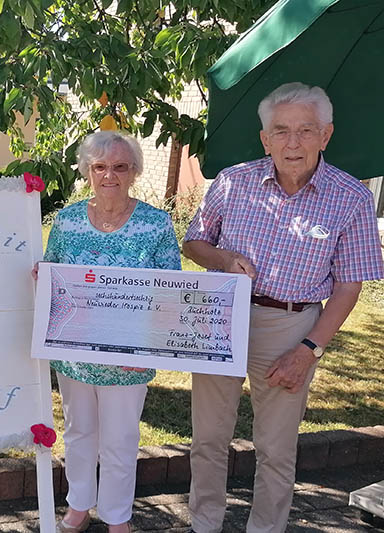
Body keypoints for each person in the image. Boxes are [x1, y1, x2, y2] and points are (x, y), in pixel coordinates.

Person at [183, 82, 384, 533]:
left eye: (305, 130)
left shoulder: (350, 198)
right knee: (209, 438)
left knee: (276, 447)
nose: (293, 143)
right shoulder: (233, 182)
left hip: (291, 326)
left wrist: (308, 349)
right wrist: (221, 259)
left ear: (326, 135)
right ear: (264, 138)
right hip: (221, 317)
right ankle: (203, 523)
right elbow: (194, 241)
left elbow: (349, 288)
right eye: (281, 131)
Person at [34, 130, 181, 532]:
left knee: (119, 440)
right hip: (75, 353)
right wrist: (43, 278)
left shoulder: (155, 224)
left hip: (128, 357)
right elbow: (54, 273)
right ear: (87, 171)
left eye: (119, 166)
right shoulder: (67, 221)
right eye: (100, 167)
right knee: (79, 431)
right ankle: (78, 504)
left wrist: (150, 351)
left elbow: (171, 295)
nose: (109, 175)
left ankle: (117, 517)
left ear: (133, 171)